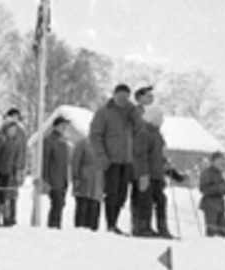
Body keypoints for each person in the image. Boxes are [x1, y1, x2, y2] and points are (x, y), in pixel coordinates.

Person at [89, 83, 140, 234]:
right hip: (111, 160)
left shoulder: (131, 113)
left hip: (127, 160)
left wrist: (135, 113)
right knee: (112, 193)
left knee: (122, 195)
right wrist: (101, 155)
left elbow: (140, 129)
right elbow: (95, 135)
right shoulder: (104, 113)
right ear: (114, 95)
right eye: (120, 96)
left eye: (126, 97)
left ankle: (115, 222)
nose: (123, 100)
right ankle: (110, 224)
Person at [132, 104, 171, 238]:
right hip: (146, 175)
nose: (161, 120)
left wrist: (167, 169)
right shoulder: (143, 133)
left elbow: (159, 156)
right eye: (159, 117)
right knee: (145, 202)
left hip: (157, 175)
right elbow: (141, 155)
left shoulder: (158, 135)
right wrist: (143, 174)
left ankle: (162, 228)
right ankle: (142, 228)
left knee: (161, 201)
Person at [0, 108, 27, 226]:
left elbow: (19, 155)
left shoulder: (17, 140)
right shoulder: (0, 139)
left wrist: (18, 170)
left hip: (9, 172)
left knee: (7, 197)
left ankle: (7, 217)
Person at [42, 115, 71, 229]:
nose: (64, 128)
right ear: (56, 126)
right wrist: (46, 179)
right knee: (57, 204)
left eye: (66, 126)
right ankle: (52, 226)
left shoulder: (64, 142)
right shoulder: (49, 140)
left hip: (62, 179)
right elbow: (45, 160)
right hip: (53, 179)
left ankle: (57, 225)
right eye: (62, 125)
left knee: (61, 204)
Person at [71, 130, 102, 231]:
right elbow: (75, 162)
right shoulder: (82, 144)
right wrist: (76, 178)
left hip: (98, 184)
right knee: (83, 208)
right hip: (84, 181)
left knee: (94, 209)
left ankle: (93, 230)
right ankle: (80, 229)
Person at [198, 152, 225, 237]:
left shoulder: (219, 173)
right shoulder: (206, 173)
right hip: (210, 204)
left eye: (222, 160)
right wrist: (218, 188)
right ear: (213, 161)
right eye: (218, 160)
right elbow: (203, 189)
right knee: (212, 230)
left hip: (220, 204)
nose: (221, 162)